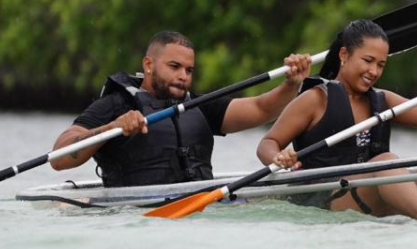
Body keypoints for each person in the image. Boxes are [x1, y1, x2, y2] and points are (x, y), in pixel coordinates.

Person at [256, 19, 417, 225]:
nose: (374, 71)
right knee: (386, 161)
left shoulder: (382, 99)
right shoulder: (315, 99)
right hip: (325, 200)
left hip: (369, 191)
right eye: (368, 61)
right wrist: (278, 157)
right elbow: (268, 143)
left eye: (381, 65)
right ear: (344, 54)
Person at [51, 31, 312, 187]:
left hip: (201, 207)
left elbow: (260, 109)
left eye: (189, 70)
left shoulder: (197, 106)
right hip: (136, 214)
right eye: (174, 67)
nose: (183, 76)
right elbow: (59, 158)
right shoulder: (115, 105)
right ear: (149, 64)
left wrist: (291, 83)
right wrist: (112, 127)